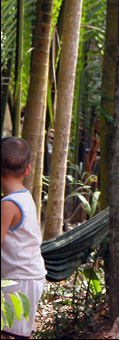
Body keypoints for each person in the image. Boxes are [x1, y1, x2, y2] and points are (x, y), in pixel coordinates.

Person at [1, 136, 47, 340]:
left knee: (8, 332)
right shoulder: (25, 196)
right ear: (27, 170)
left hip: (18, 280)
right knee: (15, 332)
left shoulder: (8, 204)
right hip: (30, 277)